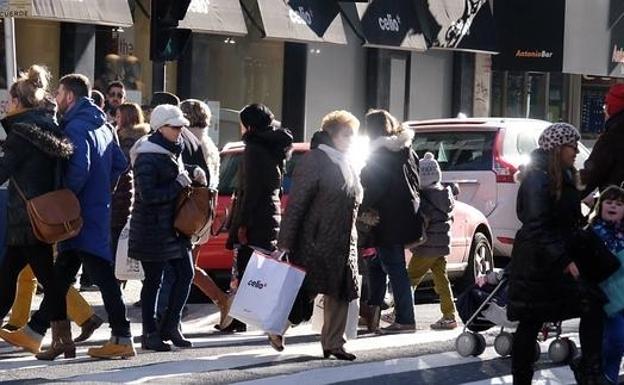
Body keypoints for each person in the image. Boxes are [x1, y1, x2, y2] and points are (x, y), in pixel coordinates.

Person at [1, 74, 133, 360]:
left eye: (59, 93)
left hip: (76, 213)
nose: (57, 98)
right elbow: (121, 164)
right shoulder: (103, 125)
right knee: (59, 276)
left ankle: (122, 336)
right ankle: (38, 334)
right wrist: (102, 191)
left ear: (70, 97)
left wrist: (65, 198)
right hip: (95, 210)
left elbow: (80, 166)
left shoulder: (75, 127)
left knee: (99, 274)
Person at [508, 123, 606, 384]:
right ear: (558, 148)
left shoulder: (562, 175)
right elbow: (537, 224)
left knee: (592, 306)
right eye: (572, 146)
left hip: (554, 260)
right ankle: (524, 379)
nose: (576, 151)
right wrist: (565, 260)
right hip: (538, 264)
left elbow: (567, 220)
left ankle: (589, 370)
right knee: (530, 321)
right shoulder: (538, 178)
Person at [0, 65, 74, 357]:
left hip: (26, 218)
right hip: (43, 215)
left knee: (46, 280)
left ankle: (62, 338)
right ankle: (62, 338)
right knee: (12, 276)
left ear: (19, 102)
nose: (7, 104)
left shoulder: (21, 134)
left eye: (10, 100)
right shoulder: (49, 128)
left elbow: (3, 173)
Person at [278, 110, 361, 361]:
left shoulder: (346, 161)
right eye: (347, 134)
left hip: (345, 239)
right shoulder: (316, 160)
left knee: (342, 291)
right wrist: (285, 242)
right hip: (317, 239)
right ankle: (277, 327)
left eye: (353, 135)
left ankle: (334, 343)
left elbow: (352, 202)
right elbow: (297, 203)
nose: (351, 139)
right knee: (305, 292)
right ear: (332, 134)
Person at [129, 104, 205, 351]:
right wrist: (179, 182)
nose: (181, 130)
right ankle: (149, 333)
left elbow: (176, 176)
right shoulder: (147, 155)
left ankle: (171, 325)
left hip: (173, 228)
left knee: (186, 274)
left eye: (182, 126)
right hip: (152, 228)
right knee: (153, 282)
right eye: (175, 127)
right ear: (161, 128)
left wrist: (192, 172)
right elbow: (148, 195)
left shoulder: (173, 150)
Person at [225, 104, 293, 337]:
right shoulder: (274, 145)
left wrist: (242, 223)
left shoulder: (254, 149)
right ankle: (242, 316)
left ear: (248, 125)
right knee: (259, 268)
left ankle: (242, 317)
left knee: (246, 267)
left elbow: (251, 190)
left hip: (255, 216)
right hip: (270, 213)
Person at [360, 109, 422, 334]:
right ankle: (372, 312)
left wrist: (360, 203)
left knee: (394, 268)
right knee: (378, 264)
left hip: (386, 217)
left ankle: (405, 319)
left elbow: (375, 186)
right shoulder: (407, 150)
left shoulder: (381, 153)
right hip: (405, 215)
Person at [180, 99, 231, 327]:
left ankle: (222, 301)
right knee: (188, 267)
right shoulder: (208, 142)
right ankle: (222, 302)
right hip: (204, 214)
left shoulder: (186, 142)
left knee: (184, 268)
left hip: (187, 213)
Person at [407, 152, 458, 330]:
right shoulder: (445, 194)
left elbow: (422, 221)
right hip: (442, 245)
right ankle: (449, 314)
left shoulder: (424, 199)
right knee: (441, 280)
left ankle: (401, 311)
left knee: (409, 279)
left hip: (426, 246)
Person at [585, 186, 624, 384]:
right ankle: (602, 376)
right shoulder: (592, 233)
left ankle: (608, 378)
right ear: (600, 206)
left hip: (622, 296)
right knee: (615, 340)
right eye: (609, 202)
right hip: (603, 299)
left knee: (617, 344)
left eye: (619, 203)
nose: (613, 206)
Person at [111, 103, 148, 256]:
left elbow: (122, 166)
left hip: (123, 195)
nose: (116, 120)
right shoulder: (142, 139)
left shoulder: (126, 140)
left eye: (119, 116)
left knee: (116, 238)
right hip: (132, 194)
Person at [581, 84, 624, 194]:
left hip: (617, 202)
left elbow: (592, 173)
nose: (604, 111)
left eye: (606, 106)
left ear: (613, 108)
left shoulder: (613, 137)